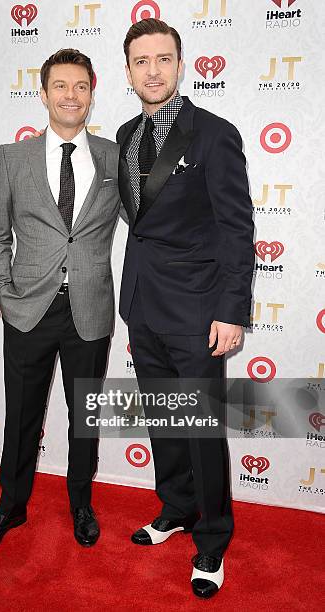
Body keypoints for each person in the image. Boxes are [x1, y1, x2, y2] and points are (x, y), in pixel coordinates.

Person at [116, 19, 255, 598]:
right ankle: (175, 509)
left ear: (181, 64)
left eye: (164, 59)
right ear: (128, 72)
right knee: (166, 421)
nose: (153, 70)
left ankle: (213, 542)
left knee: (201, 431)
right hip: (144, 306)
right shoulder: (124, 134)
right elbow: (140, 226)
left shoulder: (214, 134)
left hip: (200, 312)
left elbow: (236, 229)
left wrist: (231, 311)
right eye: (142, 61)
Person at [0, 48, 123, 552]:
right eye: (60, 86)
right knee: (22, 416)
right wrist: (3, 296)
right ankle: (11, 508)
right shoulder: (13, 158)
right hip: (28, 309)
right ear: (43, 93)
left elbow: (144, 226)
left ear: (92, 93)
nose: (70, 95)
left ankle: (81, 504)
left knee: (85, 416)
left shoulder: (113, 158)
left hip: (90, 308)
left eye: (80, 86)